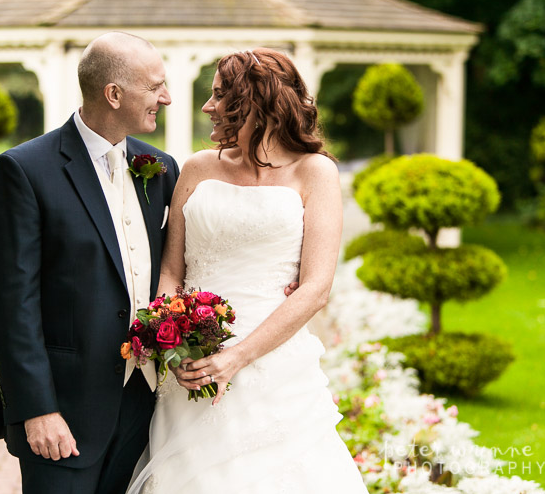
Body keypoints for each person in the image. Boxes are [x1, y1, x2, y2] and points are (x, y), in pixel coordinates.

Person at [127, 48, 368, 493]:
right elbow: (170, 273)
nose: (206, 106)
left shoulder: (314, 173)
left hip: (274, 367)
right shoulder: (198, 168)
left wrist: (236, 358)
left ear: (255, 103)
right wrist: (176, 347)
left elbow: (315, 289)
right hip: (195, 365)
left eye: (219, 95)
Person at [0, 32, 179, 493]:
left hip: (142, 404)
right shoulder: (23, 171)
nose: (165, 98)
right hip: (62, 413)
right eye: (155, 86)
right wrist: (36, 410)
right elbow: (11, 307)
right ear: (114, 94)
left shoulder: (160, 167)